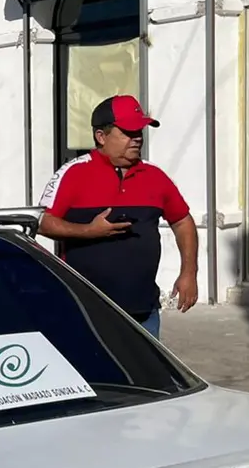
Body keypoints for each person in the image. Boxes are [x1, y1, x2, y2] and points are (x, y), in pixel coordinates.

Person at [37, 95, 198, 338]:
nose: (137, 139)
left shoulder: (155, 176)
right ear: (101, 136)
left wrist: (189, 272)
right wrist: (88, 231)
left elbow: (182, 221)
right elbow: (42, 222)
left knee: (146, 375)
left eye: (140, 132)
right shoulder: (73, 173)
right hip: (85, 310)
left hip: (144, 313)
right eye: (128, 132)